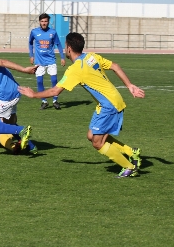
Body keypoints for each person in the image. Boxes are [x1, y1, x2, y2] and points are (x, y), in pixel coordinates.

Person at [19, 32, 145, 178]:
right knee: (91, 135)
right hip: (110, 100)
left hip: (108, 105)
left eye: (65, 46)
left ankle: (129, 167)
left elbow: (55, 91)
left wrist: (34, 94)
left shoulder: (75, 69)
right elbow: (115, 66)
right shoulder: (92, 56)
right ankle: (131, 152)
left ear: (69, 48)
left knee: (97, 143)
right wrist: (129, 85)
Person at [29, 13, 66, 110]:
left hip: (51, 60)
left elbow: (58, 44)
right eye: (42, 21)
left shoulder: (53, 32)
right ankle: (44, 101)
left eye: (45, 21)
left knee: (54, 80)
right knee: (39, 81)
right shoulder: (34, 32)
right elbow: (30, 43)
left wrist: (62, 57)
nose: (44, 23)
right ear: (39, 22)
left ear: (48, 22)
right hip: (39, 61)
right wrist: (31, 56)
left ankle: (55, 100)